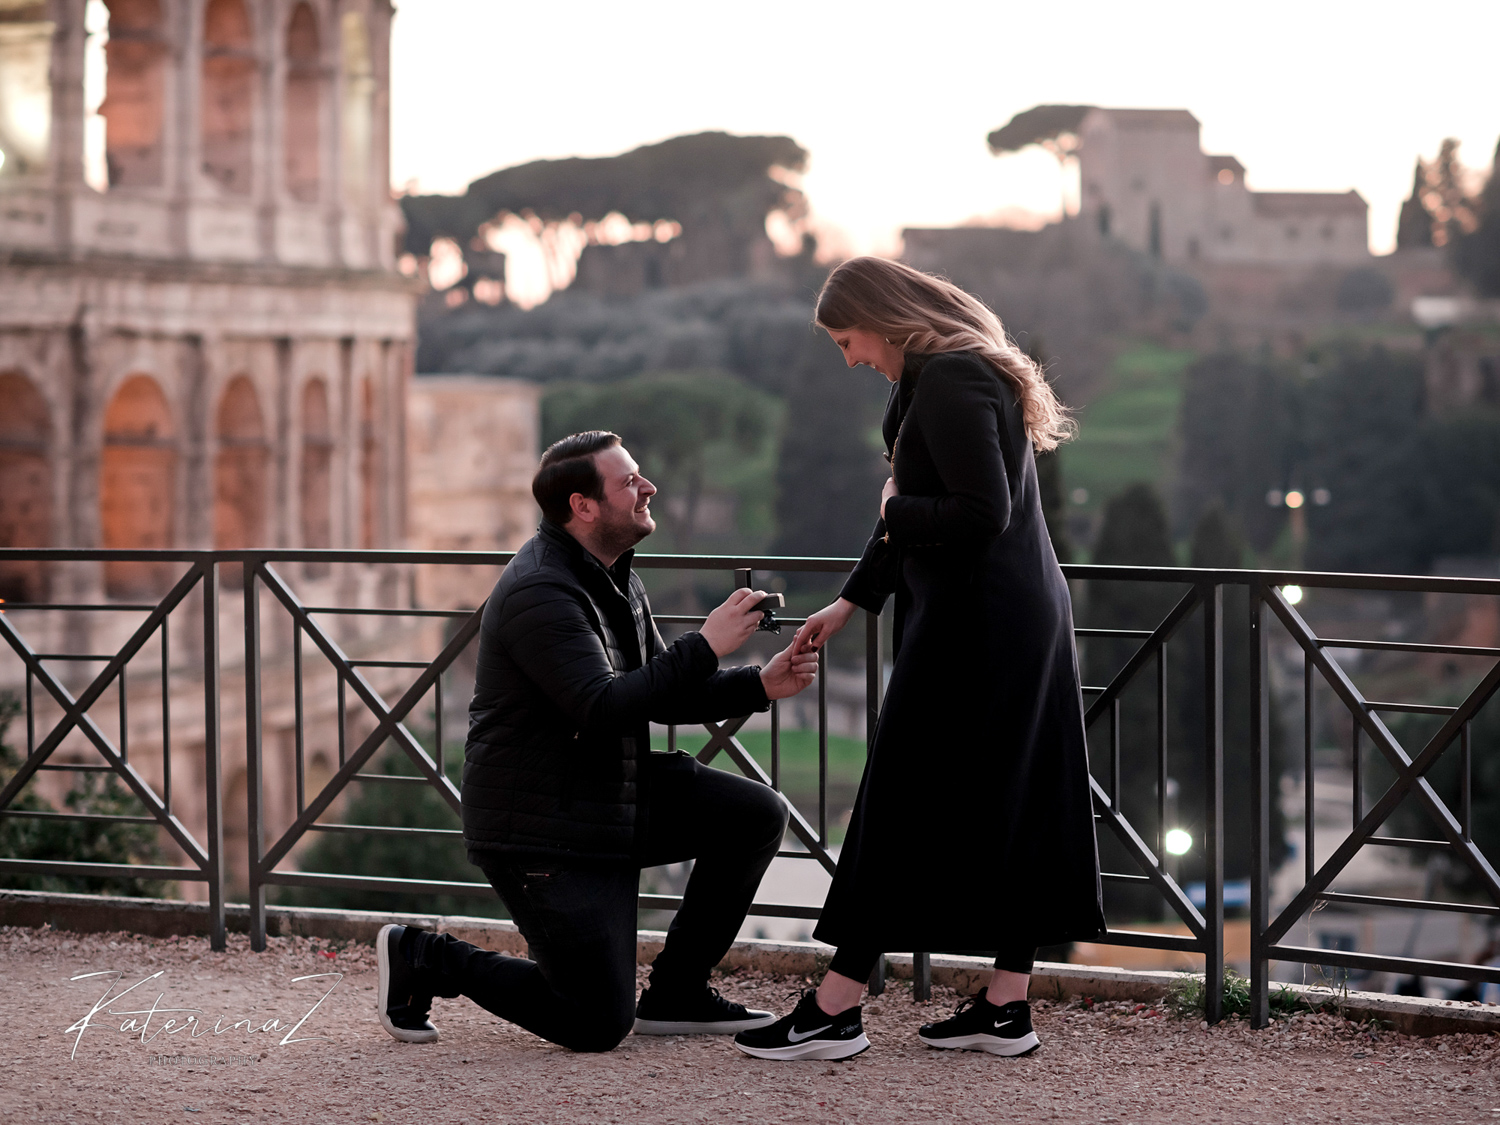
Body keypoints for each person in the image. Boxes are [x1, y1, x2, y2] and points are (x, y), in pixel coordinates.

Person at [734, 257, 1105, 1062]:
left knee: (898, 799)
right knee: (1017, 797)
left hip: (984, 626)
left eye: (847, 338)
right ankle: (1006, 1005)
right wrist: (852, 599)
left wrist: (895, 506)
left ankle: (835, 1008)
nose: (849, 357)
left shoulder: (953, 382)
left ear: (883, 316)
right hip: (1002, 616)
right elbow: (908, 514)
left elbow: (978, 512)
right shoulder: (934, 380)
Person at [377, 431, 818, 1052]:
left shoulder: (611, 573)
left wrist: (759, 684)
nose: (648, 488)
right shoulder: (540, 590)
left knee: (754, 815)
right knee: (594, 1022)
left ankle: (677, 993)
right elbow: (601, 706)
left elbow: (662, 690)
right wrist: (707, 642)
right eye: (629, 481)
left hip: (607, 794)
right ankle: (423, 955)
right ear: (583, 506)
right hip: (539, 825)